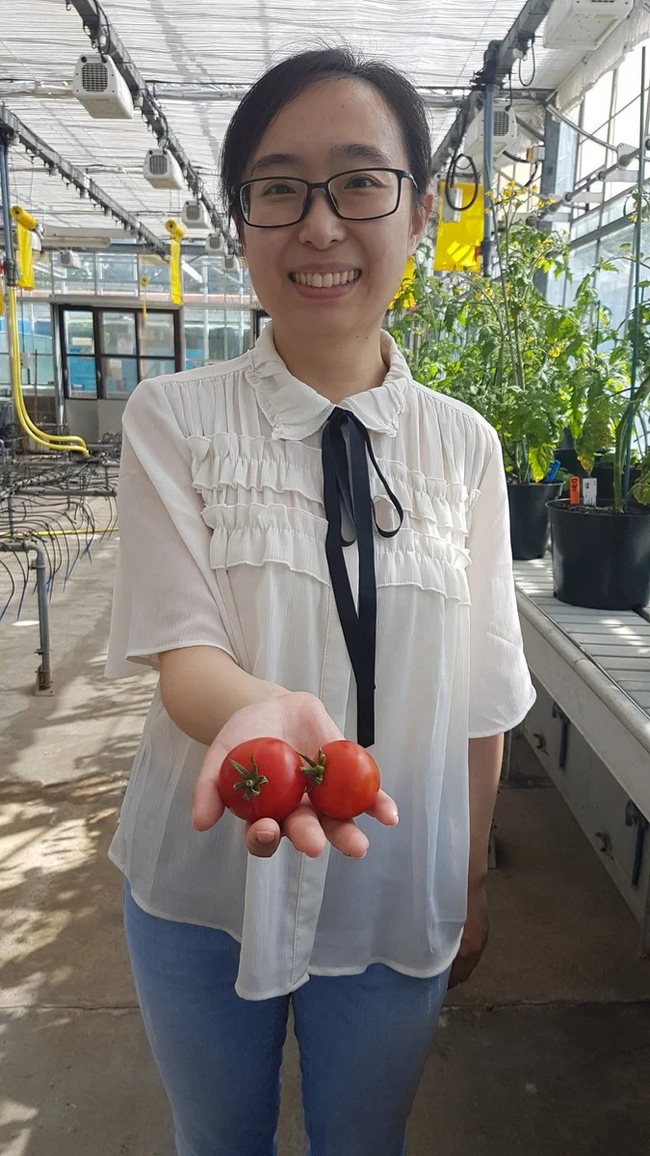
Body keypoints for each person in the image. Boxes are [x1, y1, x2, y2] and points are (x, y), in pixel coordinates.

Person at [105, 46, 535, 1156]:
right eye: (279, 188)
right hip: (204, 884)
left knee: (364, 1142)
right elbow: (182, 648)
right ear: (240, 218)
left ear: (418, 209)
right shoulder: (173, 419)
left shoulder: (465, 450)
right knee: (218, 1141)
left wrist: (469, 877)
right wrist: (256, 710)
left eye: (358, 181)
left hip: (394, 888)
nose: (320, 224)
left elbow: (481, 698)